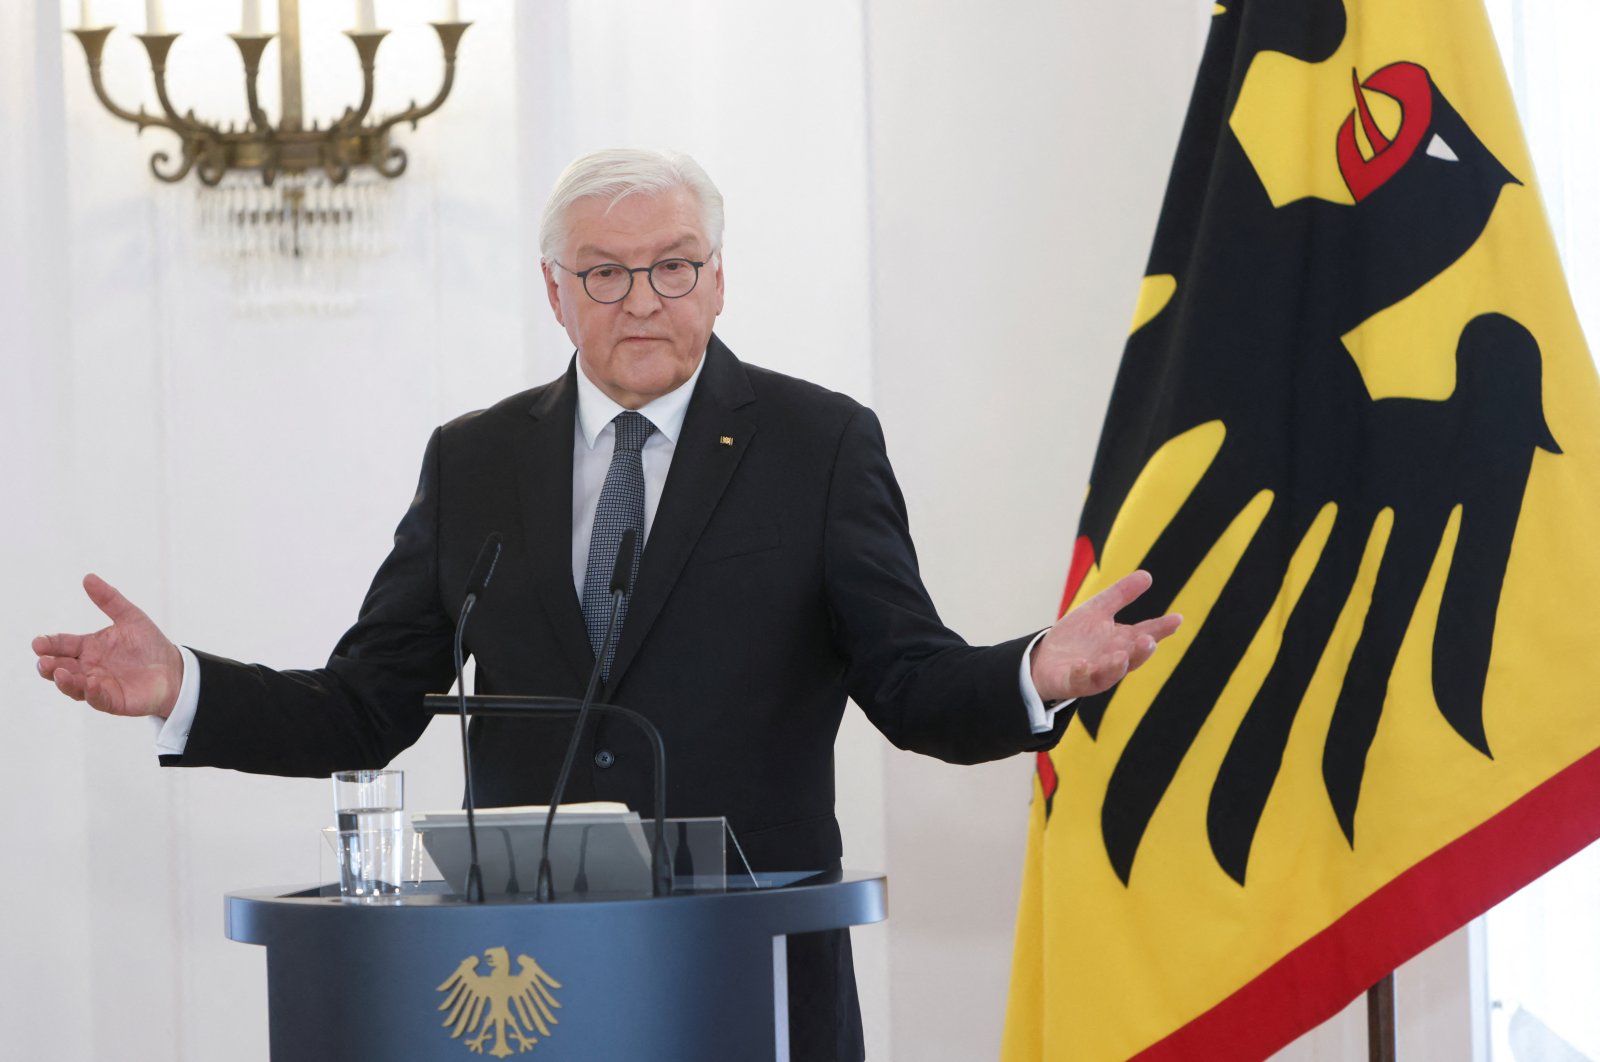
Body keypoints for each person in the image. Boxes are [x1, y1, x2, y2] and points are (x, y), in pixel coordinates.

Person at [33, 148, 1181, 1061]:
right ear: (555, 291)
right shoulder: (475, 458)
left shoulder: (816, 443)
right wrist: (185, 686)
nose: (641, 298)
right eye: (603, 272)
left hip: (744, 964)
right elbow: (368, 703)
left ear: (718, 277)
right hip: (526, 982)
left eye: (673, 265)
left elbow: (911, 683)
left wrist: (1035, 670)